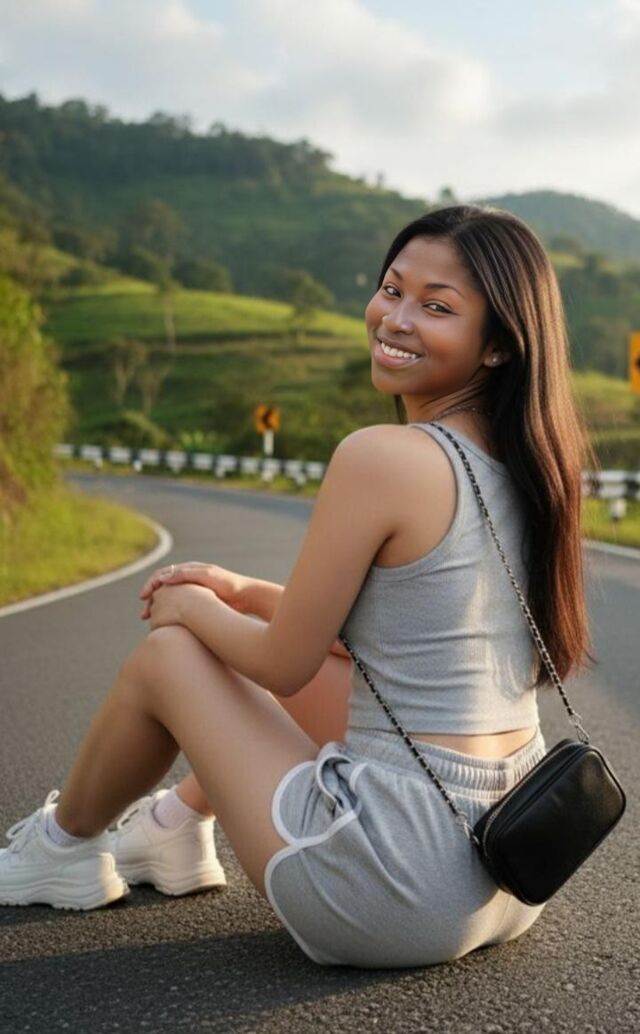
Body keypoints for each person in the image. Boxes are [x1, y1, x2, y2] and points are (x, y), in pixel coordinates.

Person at [0, 205, 597, 969]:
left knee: (171, 655)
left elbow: (282, 664)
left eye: (437, 306)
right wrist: (243, 591)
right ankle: (174, 829)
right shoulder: (535, 467)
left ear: (499, 344)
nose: (396, 319)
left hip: (390, 888)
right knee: (325, 665)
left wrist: (190, 606)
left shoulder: (383, 457)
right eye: (392, 289)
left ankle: (60, 851)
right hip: (507, 866)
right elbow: (382, 639)